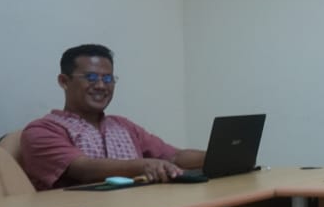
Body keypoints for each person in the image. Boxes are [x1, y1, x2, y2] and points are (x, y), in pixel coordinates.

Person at [20, 44, 205, 190]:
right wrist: (144, 166)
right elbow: (84, 169)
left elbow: (174, 157)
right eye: (91, 77)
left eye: (108, 79)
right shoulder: (42, 130)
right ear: (64, 81)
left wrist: (214, 157)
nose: (101, 85)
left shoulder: (123, 125)